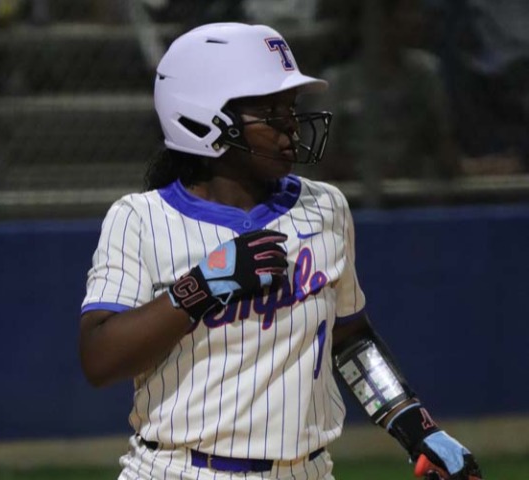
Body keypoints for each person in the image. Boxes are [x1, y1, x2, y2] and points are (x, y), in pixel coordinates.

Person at [79, 23, 482, 480]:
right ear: (204, 118)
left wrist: (417, 429)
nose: (290, 123)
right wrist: (201, 287)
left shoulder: (325, 207)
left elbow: (350, 339)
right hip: (177, 469)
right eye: (269, 111)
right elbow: (99, 358)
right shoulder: (141, 218)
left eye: (290, 106)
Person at [311, 0, 461, 182]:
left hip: (412, 193)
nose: (418, 20)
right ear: (379, 20)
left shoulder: (425, 74)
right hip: (353, 193)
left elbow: (444, 152)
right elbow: (320, 160)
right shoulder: (338, 83)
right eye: (408, 11)